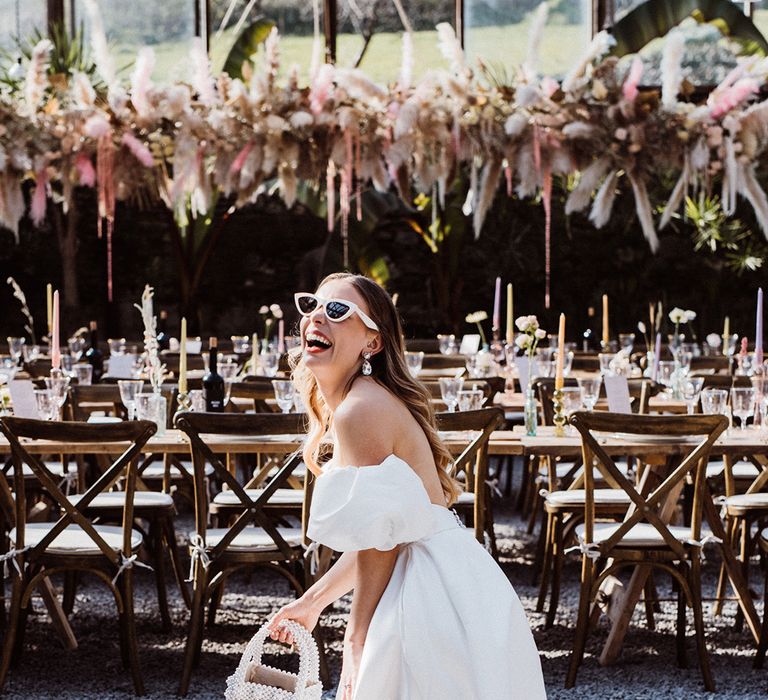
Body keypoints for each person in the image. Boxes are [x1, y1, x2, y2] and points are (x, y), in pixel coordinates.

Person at [267, 272, 546, 699]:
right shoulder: (359, 401)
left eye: (338, 310)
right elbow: (379, 535)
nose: (317, 318)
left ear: (372, 343)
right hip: (448, 576)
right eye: (312, 306)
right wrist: (312, 603)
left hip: (429, 594)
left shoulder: (359, 410)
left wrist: (356, 638)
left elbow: (382, 543)